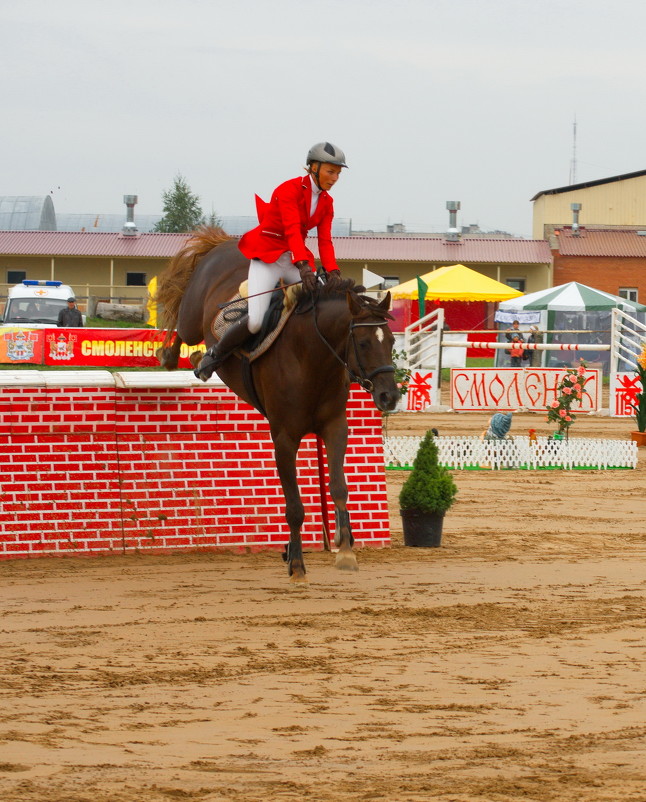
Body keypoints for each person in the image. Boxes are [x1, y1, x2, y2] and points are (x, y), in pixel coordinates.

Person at [196, 141, 347, 380]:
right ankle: (214, 355)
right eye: (331, 171)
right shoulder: (289, 190)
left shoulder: (327, 203)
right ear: (314, 168)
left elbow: (325, 241)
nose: (335, 177)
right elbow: (291, 230)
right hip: (267, 256)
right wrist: (304, 267)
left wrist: (332, 271)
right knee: (256, 321)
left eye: (338, 173)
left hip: (293, 258)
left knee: (321, 303)